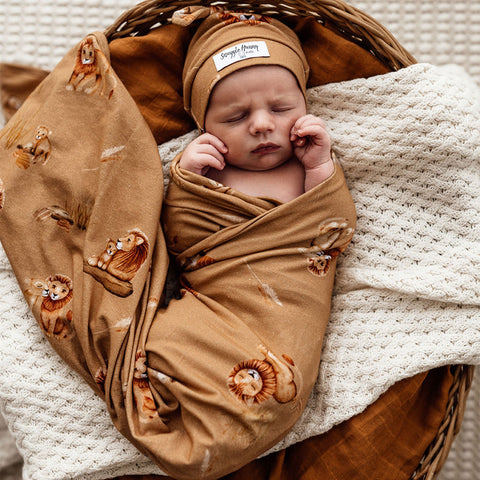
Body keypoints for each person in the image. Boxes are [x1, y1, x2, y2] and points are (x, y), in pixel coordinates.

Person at [176, 8, 335, 203]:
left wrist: (318, 167)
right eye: (236, 117)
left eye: (280, 109)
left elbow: (334, 219)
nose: (261, 125)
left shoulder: (311, 162)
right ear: (201, 124)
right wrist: (188, 181)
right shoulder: (204, 171)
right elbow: (177, 228)